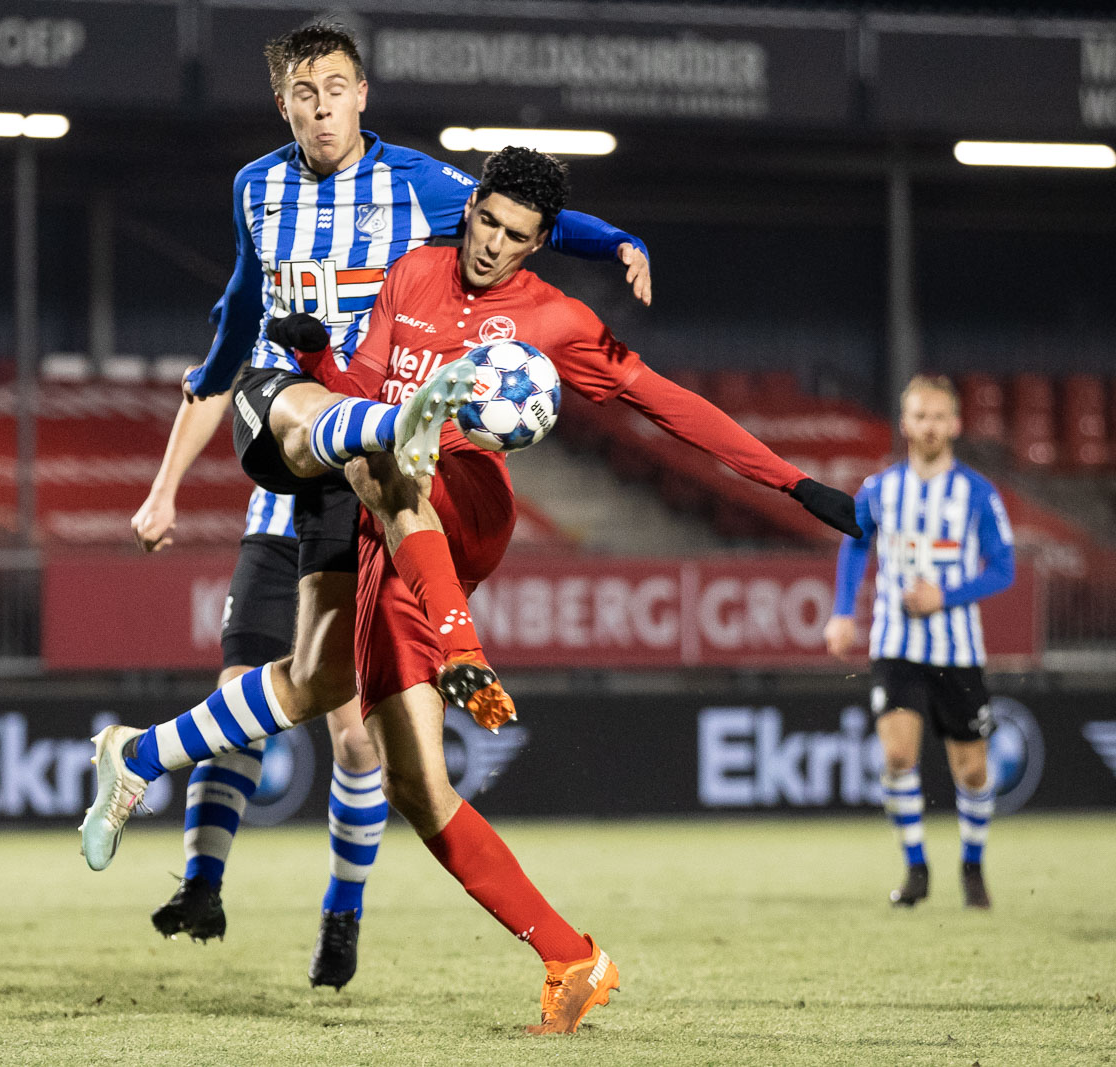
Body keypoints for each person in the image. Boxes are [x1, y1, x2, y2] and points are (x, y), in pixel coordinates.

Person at [85, 146, 860, 1033]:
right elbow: (355, 388)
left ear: (536, 246)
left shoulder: (554, 320)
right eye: (485, 221)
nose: (491, 245)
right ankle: (572, 957)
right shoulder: (414, 271)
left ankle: (462, 651)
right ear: (475, 210)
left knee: (392, 458)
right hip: (391, 537)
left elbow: (668, 402)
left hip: (467, 507)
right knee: (396, 766)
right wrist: (314, 357)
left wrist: (796, 484)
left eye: (515, 236)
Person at [88, 19, 651, 987]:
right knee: (262, 690)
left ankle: (320, 892)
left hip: (355, 461)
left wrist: (616, 239)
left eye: (336, 87)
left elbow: (519, 213)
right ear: (284, 103)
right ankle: (201, 875)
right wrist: (170, 475)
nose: (321, 106)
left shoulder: (420, 183)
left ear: (361, 93)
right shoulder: (254, 187)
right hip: (298, 427)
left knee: (340, 717)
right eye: (303, 91)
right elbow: (235, 313)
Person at [130, 389, 384, 990]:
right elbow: (214, 379)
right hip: (275, 528)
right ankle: (202, 885)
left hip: (356, 524)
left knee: (355, 742)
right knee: (236, 706)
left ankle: (342, 912)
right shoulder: (269, 294)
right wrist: (163, 490)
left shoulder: (399, 297)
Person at [825, 374, 1015, 910]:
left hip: (958, 650)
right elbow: (855, 545)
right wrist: (843, 611)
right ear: (905, 424)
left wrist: (947, 596)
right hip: (895, 644)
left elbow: (1004, 569)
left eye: (939, 416)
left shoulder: (977, 493)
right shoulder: (880, 488)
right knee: (898, 755)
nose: (929, 426)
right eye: (919, 416)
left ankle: (973, 866)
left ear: (954, 424)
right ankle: (916, 868)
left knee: (973, 771)